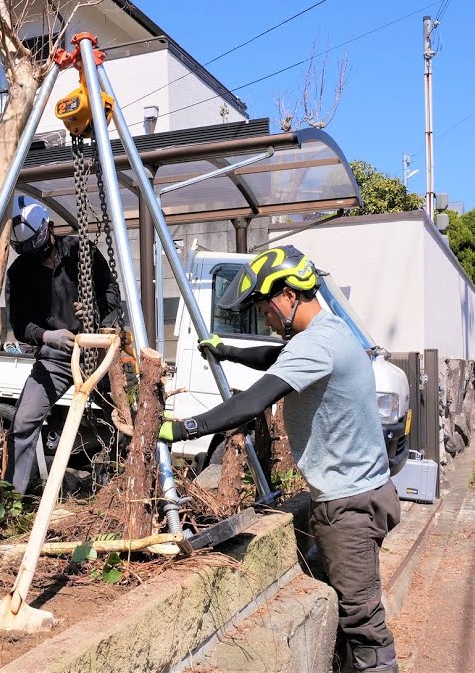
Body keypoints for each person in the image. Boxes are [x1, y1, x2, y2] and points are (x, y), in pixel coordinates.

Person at [158, 245, 400, 673]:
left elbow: (253, 403)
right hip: (368, 492)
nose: (267, 320)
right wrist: (227, 350)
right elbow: (275, 358)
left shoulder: (317, 344)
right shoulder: (331, 332)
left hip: (349, 507)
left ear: (288, 295)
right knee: (351, 605)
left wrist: (184, 428)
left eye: (266, 309)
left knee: (363, 621)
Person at [4, 198, 121, 497]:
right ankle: (12, 498)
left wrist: (95, 313)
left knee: (123, 416)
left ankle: (124, 487)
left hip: (96, 349)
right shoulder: (18, 274)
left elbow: (111, 292)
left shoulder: (80, 251)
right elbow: (20, 325)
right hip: (55, 355)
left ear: (50, 229)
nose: (35, 256)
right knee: (23, 421)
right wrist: (46, 336)